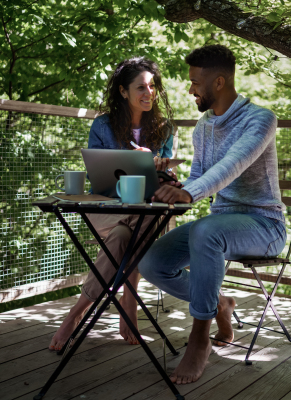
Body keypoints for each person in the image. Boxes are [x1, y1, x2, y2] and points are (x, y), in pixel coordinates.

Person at [138, 45, 287, 384]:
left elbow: (231, 165)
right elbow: (198, 175)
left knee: (207, 232)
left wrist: (189, 192)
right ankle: (219, 303)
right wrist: (172, 187)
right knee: (152, 262)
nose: (190, 89)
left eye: (195, 82)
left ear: (218, 82)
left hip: (265, 226)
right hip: (220, 223)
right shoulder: (204, 125)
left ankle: (200, 339)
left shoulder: (260, 119)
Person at [49, 57, 177, 350]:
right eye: (140, 87)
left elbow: (170, 180)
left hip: (144, 211)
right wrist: (134, 162)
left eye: (152, 86)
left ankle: (76, 313)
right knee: (135, 228)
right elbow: (100, 178)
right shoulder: (103, 126)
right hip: (106, 209)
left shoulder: (164, 128)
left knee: (124, 237)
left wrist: (161, 167)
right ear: (123, 91)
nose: (149, 93)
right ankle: (128, 303)